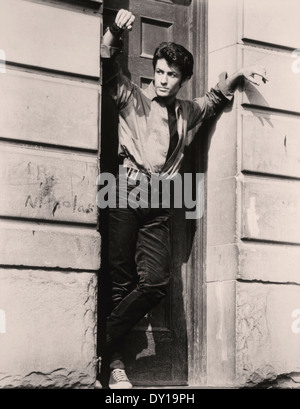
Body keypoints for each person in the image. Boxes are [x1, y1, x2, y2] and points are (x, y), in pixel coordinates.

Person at [100, 9, 268, 389]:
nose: (163, 79)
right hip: (124, 191)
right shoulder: (133, 98)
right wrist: (113, 31)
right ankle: (115, 365)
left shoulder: (186, 111)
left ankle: (101, 335)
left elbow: (211, 102)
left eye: (172, 75)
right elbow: (107, 62)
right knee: (121, 281)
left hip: (161, 200)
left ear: (182, 79)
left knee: (155, 284)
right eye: (159, 71)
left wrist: (236, 80)